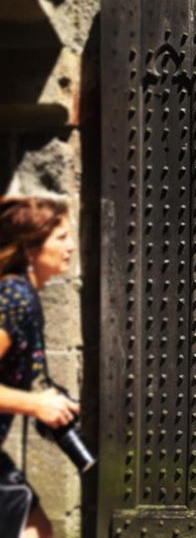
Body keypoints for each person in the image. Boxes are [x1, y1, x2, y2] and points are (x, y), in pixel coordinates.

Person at [0, 197, 79, 538]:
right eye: (61, 237)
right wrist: (36, 404)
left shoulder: (24, 295)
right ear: (30, 249)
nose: (71, 246)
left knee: (37, 528)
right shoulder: (13, 297)